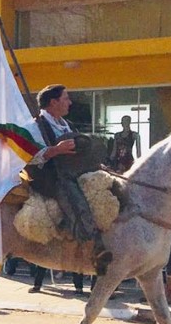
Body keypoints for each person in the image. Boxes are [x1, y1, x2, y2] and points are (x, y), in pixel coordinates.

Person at [26, 84, 112, 275]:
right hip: (49, 177)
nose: (70, 102)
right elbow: (27, 156)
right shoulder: (33, 126)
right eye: (66, 98)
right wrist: (56, 150)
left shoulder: (67, 125)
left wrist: (96, 166)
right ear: (53, 102)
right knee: (74, 198)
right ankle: (92, 247)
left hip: (74, 173)